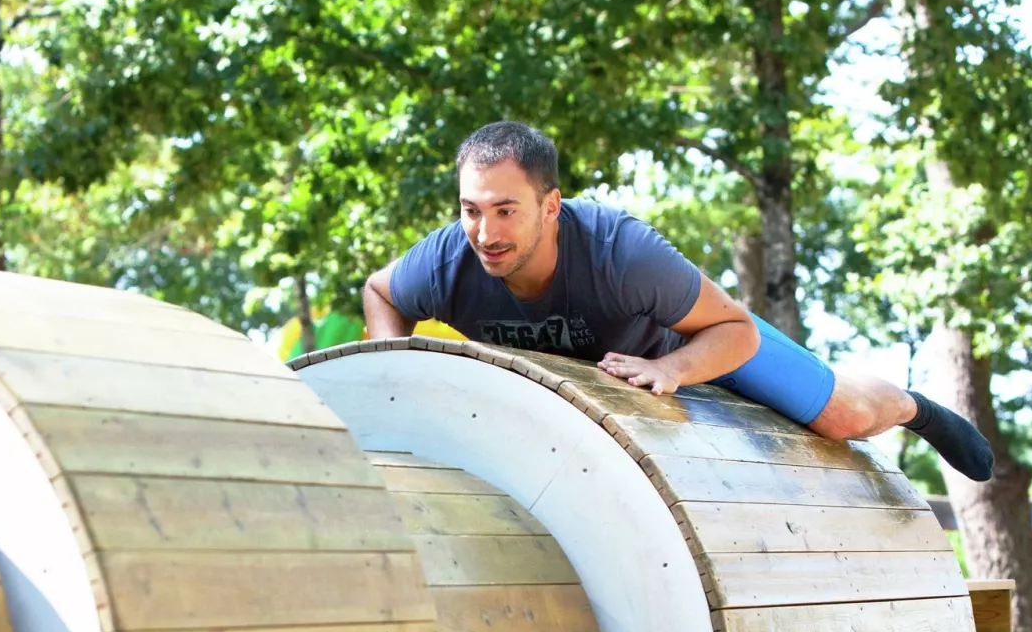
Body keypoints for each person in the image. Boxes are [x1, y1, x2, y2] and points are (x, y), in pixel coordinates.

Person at [361, 121, 995, 481]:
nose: (486, 234)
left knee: (842, 419)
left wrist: (672, 370)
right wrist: (395, 376)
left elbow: (736, 330)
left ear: (551, 206)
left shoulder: (623, 254)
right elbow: (380, 292)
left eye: (506, 210)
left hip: (691, 343)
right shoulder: (445, 260)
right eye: (471, 211)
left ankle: (917, 409)